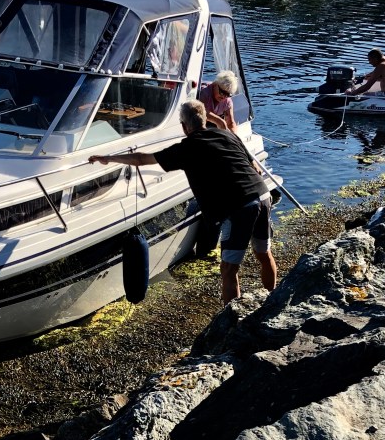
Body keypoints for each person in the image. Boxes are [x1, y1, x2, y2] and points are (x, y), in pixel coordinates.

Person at [88, 100, 277, 303]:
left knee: (228, 269)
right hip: (263, 194)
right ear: (204, 120)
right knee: (264, 253)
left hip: (239, 207)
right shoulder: (227, 135)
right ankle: (273, 300)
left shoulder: (187, 148)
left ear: (184, 126)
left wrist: (108, 158)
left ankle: (231, 319)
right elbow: (253, 166)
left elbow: (141, 159)